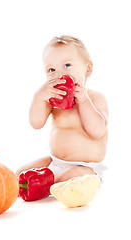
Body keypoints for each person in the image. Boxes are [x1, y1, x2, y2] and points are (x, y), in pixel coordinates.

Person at [16, 35, 108, 183]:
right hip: (56, 161)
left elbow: (97, 131)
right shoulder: (53, 102)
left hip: (85, 167)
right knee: (21, 173)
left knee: (72, 174)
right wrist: (39, 97)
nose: (59, 74)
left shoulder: (95, 98)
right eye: (51, 69)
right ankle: (34, 184)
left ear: (88, 68)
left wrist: (83, 101)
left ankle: (45, 184)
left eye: (67, 65)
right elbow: (36, 123)